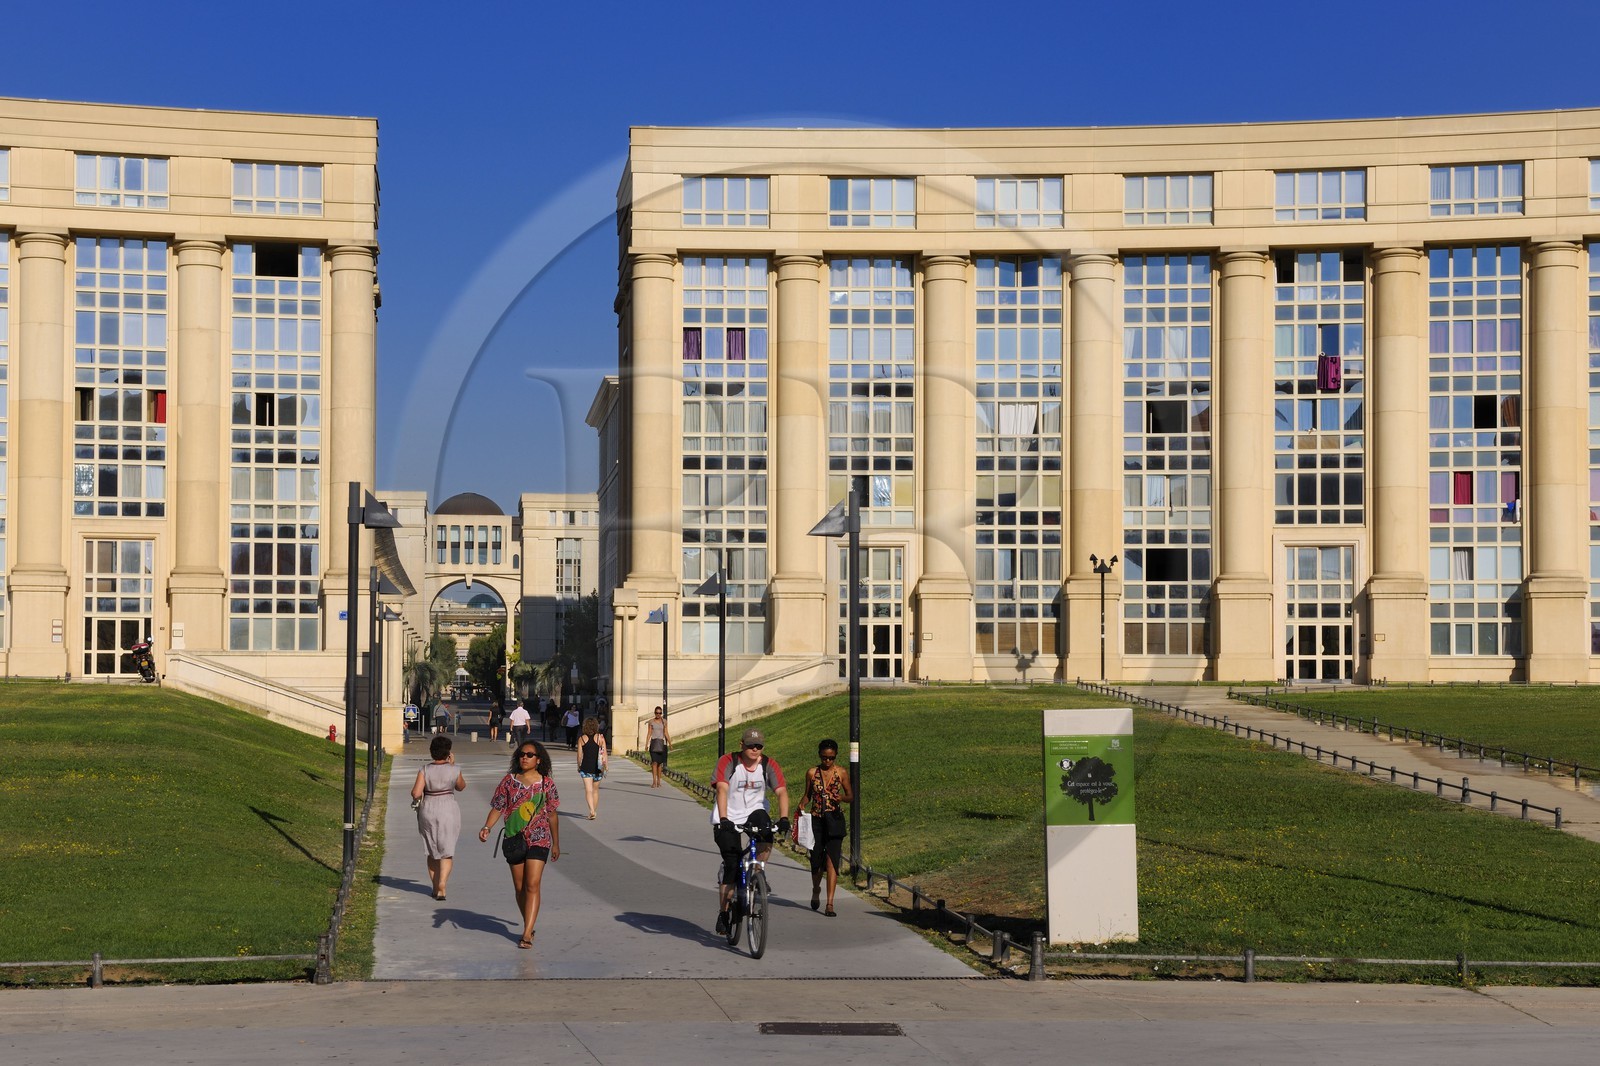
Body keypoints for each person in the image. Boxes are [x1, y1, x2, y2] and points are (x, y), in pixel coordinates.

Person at [479, 740, 561, 949]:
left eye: (530, 755)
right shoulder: (509, 781)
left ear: (538, 760)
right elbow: (498, 807)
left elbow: (552, 815)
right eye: (522, 754)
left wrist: (556, 843)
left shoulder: (546, 784)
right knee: (519, 887)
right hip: (514, 838)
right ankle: (529, 923)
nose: (524, 757)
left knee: (532, 884)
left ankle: (527, 933)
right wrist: (487, 827)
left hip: (539, 838)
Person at [710, 727, 789, 935]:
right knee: (732, 864)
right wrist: (724, 818)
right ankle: (724, 912)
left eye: (759, 746)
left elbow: (781, 791)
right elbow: (722, 788)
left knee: (766, 830)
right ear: (741, 745)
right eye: (750, 745)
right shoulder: (728, 761)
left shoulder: (769, 764)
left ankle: (758, 873)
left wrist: (783, 818)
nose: (755, 749)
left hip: (755, 811)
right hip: (728, 814)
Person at [797, 737, 853, 917]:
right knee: (816, 862)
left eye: (831, 758)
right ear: (819, 756)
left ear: (835, 756)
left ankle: (830, 903)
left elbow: (850, 796)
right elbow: (807, 795)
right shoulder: (812, 773)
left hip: (835, 820)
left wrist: (841, 799)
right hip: (817, 821)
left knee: (831, 861)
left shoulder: (841, 773)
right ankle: (816, 888)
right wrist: (801, 805)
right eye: (824, 758)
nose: (827, 761)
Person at [410, 734, 466, 900]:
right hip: (448, 808)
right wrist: (452, 766)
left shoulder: (424, 769)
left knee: (432, 849)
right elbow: (461, 787)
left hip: (429, 808)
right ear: (448, 753)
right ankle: (442, 884)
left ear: (431, 752)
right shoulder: (455, 769)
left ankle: (435, 887)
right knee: (447, 850)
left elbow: (416, 792)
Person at [575, 715, 608, 819]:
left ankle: (591, 810)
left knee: (588, 790)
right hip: (598, 768)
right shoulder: (601, 738)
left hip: (585, 767)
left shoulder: (581, 739)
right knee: (595, 790)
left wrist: (578, 765)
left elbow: (579, 755)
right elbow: (605, 754)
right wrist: (605, 766)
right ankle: (594, 810)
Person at [645, 706, 671, 788]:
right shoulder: (651, 722)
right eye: (657, 713)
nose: (658, 714)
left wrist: (670, 743)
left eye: (660, 713)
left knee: (660, 764)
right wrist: (646, 744)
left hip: (661, 744)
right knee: (654, 763)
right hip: (653, 744)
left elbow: (666, 732)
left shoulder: (664, 722)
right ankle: (654, 781)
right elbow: (649, 733)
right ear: (654, 713)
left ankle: (659, 781)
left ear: (661, 714)